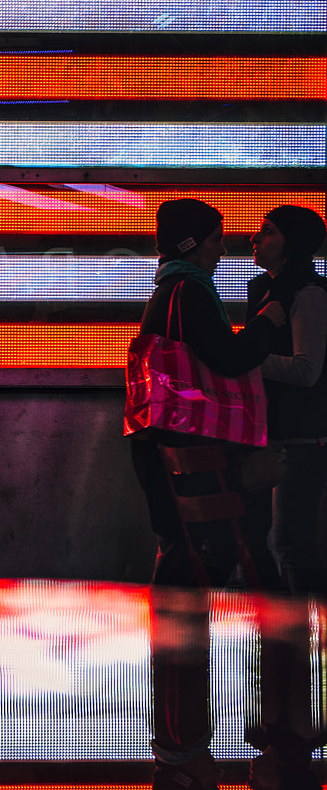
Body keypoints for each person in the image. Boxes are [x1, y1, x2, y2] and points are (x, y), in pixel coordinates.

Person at [127, 198, 285, 587]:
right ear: (190, 244)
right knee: (200, 549)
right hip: (188, 444)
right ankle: (179, 634)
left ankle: (175, 636)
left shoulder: (168, 287)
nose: (223, 249)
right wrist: (267, 323)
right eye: (215, 240)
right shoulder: (189, 291)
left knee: (183, 547)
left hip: (162, 441)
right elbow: (229, 358)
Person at [245, 205, 327, 592]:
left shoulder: (309, 294)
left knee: (291, 544)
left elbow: (306, 371)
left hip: (300, 439)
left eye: (269, 231)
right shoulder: (264, 288)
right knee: (265, 539)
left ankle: (302, 639)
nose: (256, 239)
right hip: (269, 435)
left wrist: (249, 359)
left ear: (291, 244)